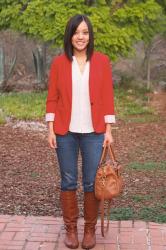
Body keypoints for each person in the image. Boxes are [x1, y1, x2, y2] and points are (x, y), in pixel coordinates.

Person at [46, 14, 115, 249]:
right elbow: (52, 98)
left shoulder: (102, 61)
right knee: (68, 180)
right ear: (70, 35)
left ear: (90, 35)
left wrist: (108, 129)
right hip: (65, 131)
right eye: (76, 32)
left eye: (85, 32)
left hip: (94, 132)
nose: (81, 37)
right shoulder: (58, 63)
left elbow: (107, 96)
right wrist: (50, 129)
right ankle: (71, 230)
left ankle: (89, 231)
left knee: (90, 183)